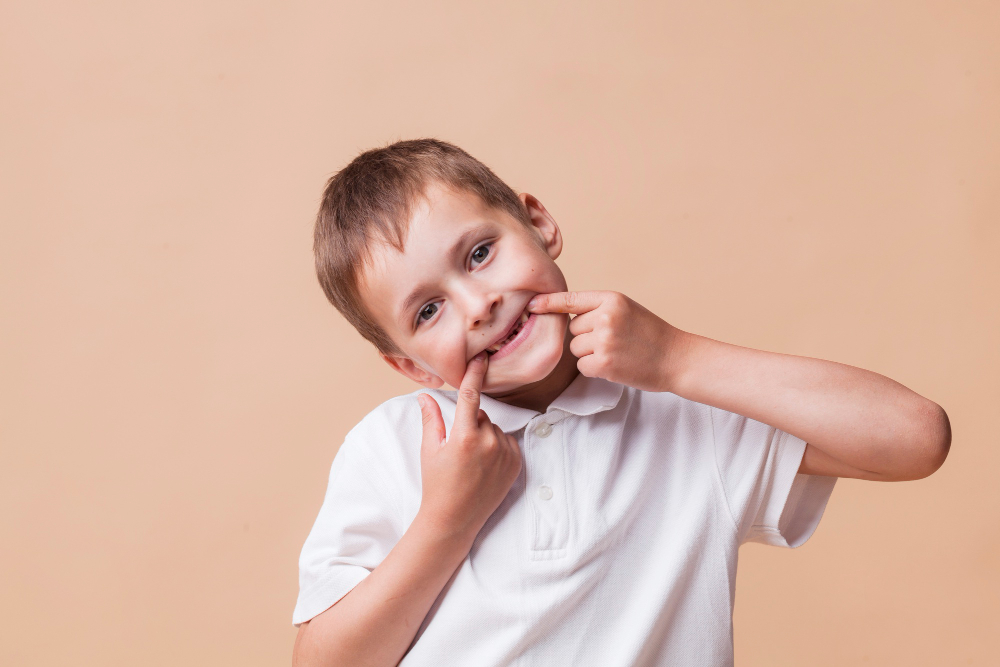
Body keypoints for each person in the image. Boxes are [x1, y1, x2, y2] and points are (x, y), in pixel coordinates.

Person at [291, 139, 950, 666]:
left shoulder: (683, 411)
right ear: (410, 365)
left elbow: (916, 436)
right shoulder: (394, 446)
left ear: (539, 222)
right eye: (429, 309)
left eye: (481, 253)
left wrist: (675, 358)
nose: (479, 304)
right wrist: (446, 517)